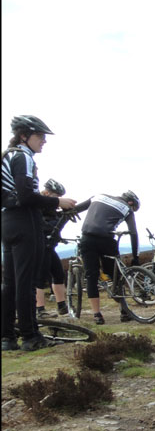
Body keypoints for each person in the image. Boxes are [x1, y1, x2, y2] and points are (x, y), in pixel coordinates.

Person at [2, 115, 78, 351]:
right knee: (26, 282)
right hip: (25, 221)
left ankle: (7, 338)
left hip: (6, 222)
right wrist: (57, 202)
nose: (44, 140)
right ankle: (31, 337)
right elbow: (26, 196)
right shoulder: (23, 156)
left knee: (10, 283)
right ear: (24, 136)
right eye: (40, 136)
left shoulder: (6, 156)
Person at [71, 190, 141, 324]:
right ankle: (124, 311)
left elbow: (74, 210)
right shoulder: (127, 209)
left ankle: (97, 315)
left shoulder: (97, 196)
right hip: (107, 241)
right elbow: (133, 233)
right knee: (116, 276)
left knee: (91, 276)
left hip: (87, 238)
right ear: (130, 202)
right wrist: (135, 256)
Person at [36, 178, 72, 317]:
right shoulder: (39, 206)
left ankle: (61, 306)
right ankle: (40, 309)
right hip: (41, 245)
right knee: (40, 277)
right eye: (56, 196)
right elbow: (45, 227)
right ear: (47, 192)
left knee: (58, 274)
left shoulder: (51, 209)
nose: (58, 199)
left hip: (50, 246)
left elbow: (56, 225)